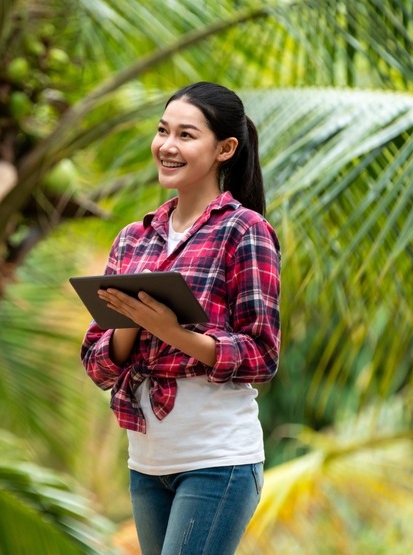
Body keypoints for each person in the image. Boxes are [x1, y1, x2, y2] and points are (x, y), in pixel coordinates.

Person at [80, 82, 281, 555]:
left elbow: (262, 355)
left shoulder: (245, 231)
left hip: (218, 461)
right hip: (147, 462)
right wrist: (131, 321)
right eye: (162, 131)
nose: (168, 146)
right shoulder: (133, 239)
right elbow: (96, 363)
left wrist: (172, 333)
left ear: (225, 149)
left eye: (186, 135)